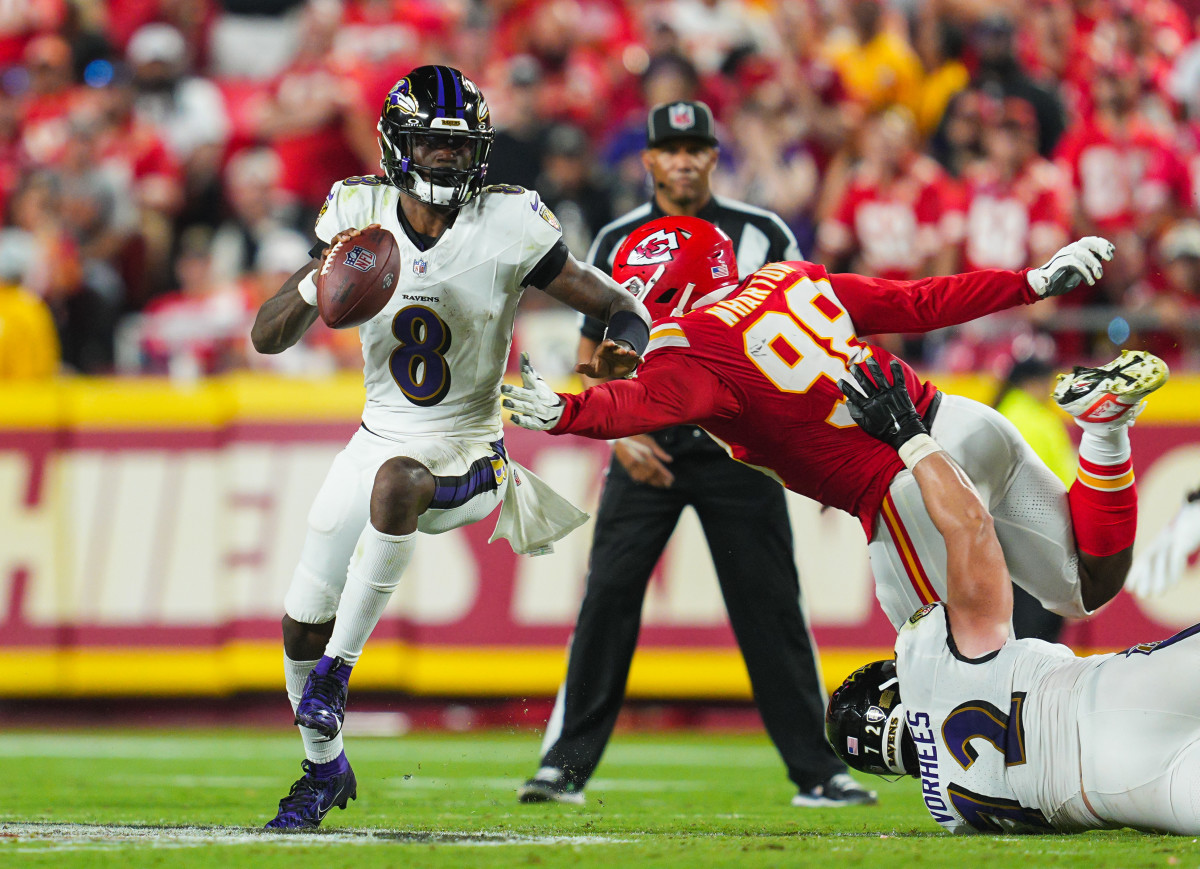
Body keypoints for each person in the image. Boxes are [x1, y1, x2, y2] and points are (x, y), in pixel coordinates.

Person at [250, 65, 650, 831]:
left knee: (399, 485)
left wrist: (617, 353)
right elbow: (266, 336)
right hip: (376, 436)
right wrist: (318, 281)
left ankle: (340, 671)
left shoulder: (510, 224)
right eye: (431, 143)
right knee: (300, 621)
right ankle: (321, 767)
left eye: (457, 146)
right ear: (399, 145)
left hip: (471, 448)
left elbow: (615, 305)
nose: (444, 159)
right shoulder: (356, 213)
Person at [502, 216, 1150, 638]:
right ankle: (1105, 434)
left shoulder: (689, 350)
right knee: (1084, 587)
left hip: (905, 483)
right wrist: (1031, 282)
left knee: (945, 661)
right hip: (963, 421)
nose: (633, 311)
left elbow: (639, 406)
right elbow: (917, 302)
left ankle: (1005, 785)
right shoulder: (792, 276)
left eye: (641, 295)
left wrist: (565, 411)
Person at [517, 100, 870, 809]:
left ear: (714, 156)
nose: (682, 159)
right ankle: (565, 762)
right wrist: (622, 434)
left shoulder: (764, 233)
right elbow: (592, 353)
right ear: (648, 160)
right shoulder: (619, 235)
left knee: (770, 604)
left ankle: (818, 769)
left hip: (739, 447)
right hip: (648, 444)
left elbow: (809, 333)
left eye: (695, 147)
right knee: (609, 596)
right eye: (669, 148)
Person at [824, 354, 1199, 836]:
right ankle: (1105, 432)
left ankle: (1105, 430)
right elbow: (970, 528)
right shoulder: (927, 664)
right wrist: (908, 436)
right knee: (1083, 585)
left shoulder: (953, 814)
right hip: (1113, 703)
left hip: (1128, 795)